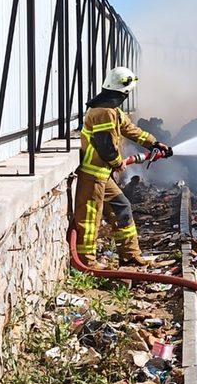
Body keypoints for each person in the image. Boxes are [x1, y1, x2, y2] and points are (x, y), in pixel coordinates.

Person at [73, 66, 172, 268]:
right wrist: (117, 162)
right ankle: (86, 263)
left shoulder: (113, 110)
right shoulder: (103, 112)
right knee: (90, 219)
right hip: (93, 175)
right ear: (123, 91)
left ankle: (130, 255)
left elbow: (129, 129)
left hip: (102, 176)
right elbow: (105, 144)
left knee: (122, 207)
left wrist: (153, 143)